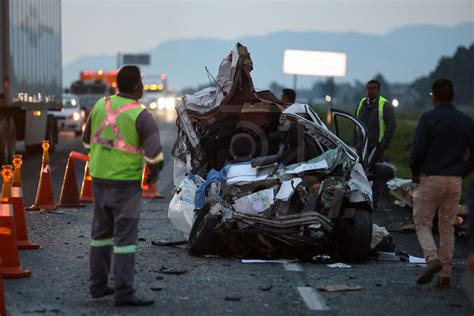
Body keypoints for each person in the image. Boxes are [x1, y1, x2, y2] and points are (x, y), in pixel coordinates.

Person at [82, 65, 164, 306]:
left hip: (99, 180)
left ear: (117, 85)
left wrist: (102, 157)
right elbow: (156, 156)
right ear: (138, 86)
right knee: (125, 241)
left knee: (100, 236)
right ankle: (124, 294)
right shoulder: (141, 115)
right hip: (126, 185)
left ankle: (97, 288)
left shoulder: (99, 106)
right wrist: (152, 173)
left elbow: (87, 142)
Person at [410, 79, 474, 288]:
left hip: (431, 178)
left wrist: (415, 172)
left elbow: (418, 151)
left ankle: (431, 258)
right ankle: (445, 275)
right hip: (454, 181)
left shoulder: (428, 119)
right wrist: (461, 172)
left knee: (422, 222)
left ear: (434, 97)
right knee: (447, 227)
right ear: (453, 96)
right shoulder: (465, 120)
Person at [355, 79, 396, 209]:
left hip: (376, 147)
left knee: (376, 176)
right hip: (362, 147)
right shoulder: (362, 104)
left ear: (378, 90)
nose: (371, 91)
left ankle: (375, 202)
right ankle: (362, 200)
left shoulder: (385, 106)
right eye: (369, 88)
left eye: (374, 88)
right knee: (361, 174)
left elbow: (391, 126)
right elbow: (355, 123)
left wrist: (384, 144)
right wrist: (356, 141)